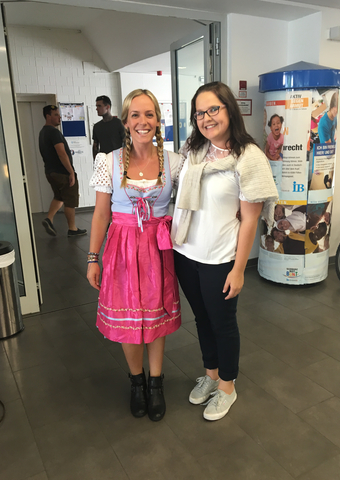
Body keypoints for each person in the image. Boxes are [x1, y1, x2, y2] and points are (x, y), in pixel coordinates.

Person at [171, 81, 278, 421]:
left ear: (229, 109)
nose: (206, 118)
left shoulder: (248, 158)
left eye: (213, 109)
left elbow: (250, 220)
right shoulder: (194, 150)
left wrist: (238, 269)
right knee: (202, 319)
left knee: (223, 324)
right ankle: (212, 374)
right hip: (186, 253)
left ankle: (228, 388)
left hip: (220, 259)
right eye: (200, 112)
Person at [87, 89, 181, 422]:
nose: (143, 122)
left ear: (158, 120)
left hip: (158, 246)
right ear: (126, 121)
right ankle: (136, 380)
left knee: (154, 317)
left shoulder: (175, 161)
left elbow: (191, 203)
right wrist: (92, 257)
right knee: (129, 320)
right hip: (122, 248)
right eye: (136, 116)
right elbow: (100, 215)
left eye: (150, 115)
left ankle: (156, 383)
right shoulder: (109, 161)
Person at [39, 105, 87, 237]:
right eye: (55, 114)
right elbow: (61, 153)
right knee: (70, 200)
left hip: (50, 172)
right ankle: (72, 229)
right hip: (61, 172)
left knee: (59, 196)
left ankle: (49, 218)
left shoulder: (43, 132)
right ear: (48, 116)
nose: (59, 117)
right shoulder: (54, 132)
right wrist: (71, 172)